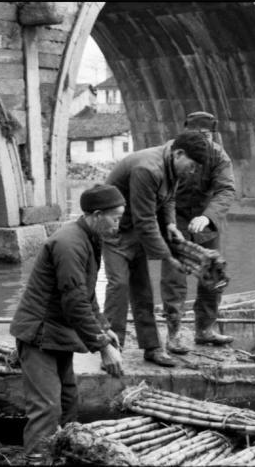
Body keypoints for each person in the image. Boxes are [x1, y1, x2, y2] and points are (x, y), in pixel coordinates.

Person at [10, 184, 126, 463]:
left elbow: (85, 293)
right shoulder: (69, 243)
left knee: (68, 402)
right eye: (116, 218)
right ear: (97, 215)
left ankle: (64, 456)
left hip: (58, 332)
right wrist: (102, 347)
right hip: (39, 334)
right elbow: (74, 302)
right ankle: (37, 460)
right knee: (46, 408)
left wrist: (103, 326)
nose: (119, 224)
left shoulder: (90, 236)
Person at [103, 131, 210, 366]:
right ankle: (111, 349)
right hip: (114, 230)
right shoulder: (148, 169)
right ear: (179, 153)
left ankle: (151, 347)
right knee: (118, 286)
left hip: (136, 230)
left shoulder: (173, 164)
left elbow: (169, 198)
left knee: (143, 291)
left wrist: (171, 223)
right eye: (191, 166)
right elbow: (145, 220)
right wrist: (167, 256)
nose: (192, 172)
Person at [162, 112, 236, 354]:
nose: (203, 140)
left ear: (213, 135)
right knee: (175, 278)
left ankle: (205, 329)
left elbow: (226, 190)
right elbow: (163, 192)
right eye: (198, 135)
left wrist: (207, 217)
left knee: (214, 274)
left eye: (207, 135)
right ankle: (173, 334)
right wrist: (171, 223)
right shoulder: (174, 152)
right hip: (176, 219)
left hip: (207, 221)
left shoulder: (219, 156)